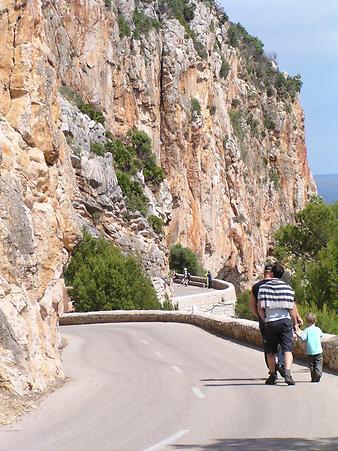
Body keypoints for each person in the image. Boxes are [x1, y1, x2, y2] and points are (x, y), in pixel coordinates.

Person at [257, 263, 299, 386]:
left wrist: (265, 319)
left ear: (272, 273)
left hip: (270, 321)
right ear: (282, 274)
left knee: (270, 352)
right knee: (287, 350)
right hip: (285, 321)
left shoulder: (263, 288)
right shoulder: (288, 288)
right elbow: (291, 308)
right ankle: (287, 373)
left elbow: (260, 307)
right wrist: (295, 323)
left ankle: (272, 375)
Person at [250, 264, 285, 376]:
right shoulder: (280, 285)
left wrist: (260, 317)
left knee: (269, 348)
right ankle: (280, 363)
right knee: (282, 343)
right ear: (272, 273)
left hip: (265, 320)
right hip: (280, 317)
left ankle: (272, 372)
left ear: (264, 273)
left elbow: (252, 306)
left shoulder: (256, 287)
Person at [296, 313, 323, 382]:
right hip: (318, 350)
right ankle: (318, 373)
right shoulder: (318, 329)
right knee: (318, 363)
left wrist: (297, 332)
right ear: (315, 321)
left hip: (310, 351)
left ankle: (313, 377)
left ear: (307, 322)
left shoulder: (307, 330)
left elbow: (303, 338)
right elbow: (321, 335)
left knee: (311, 365)